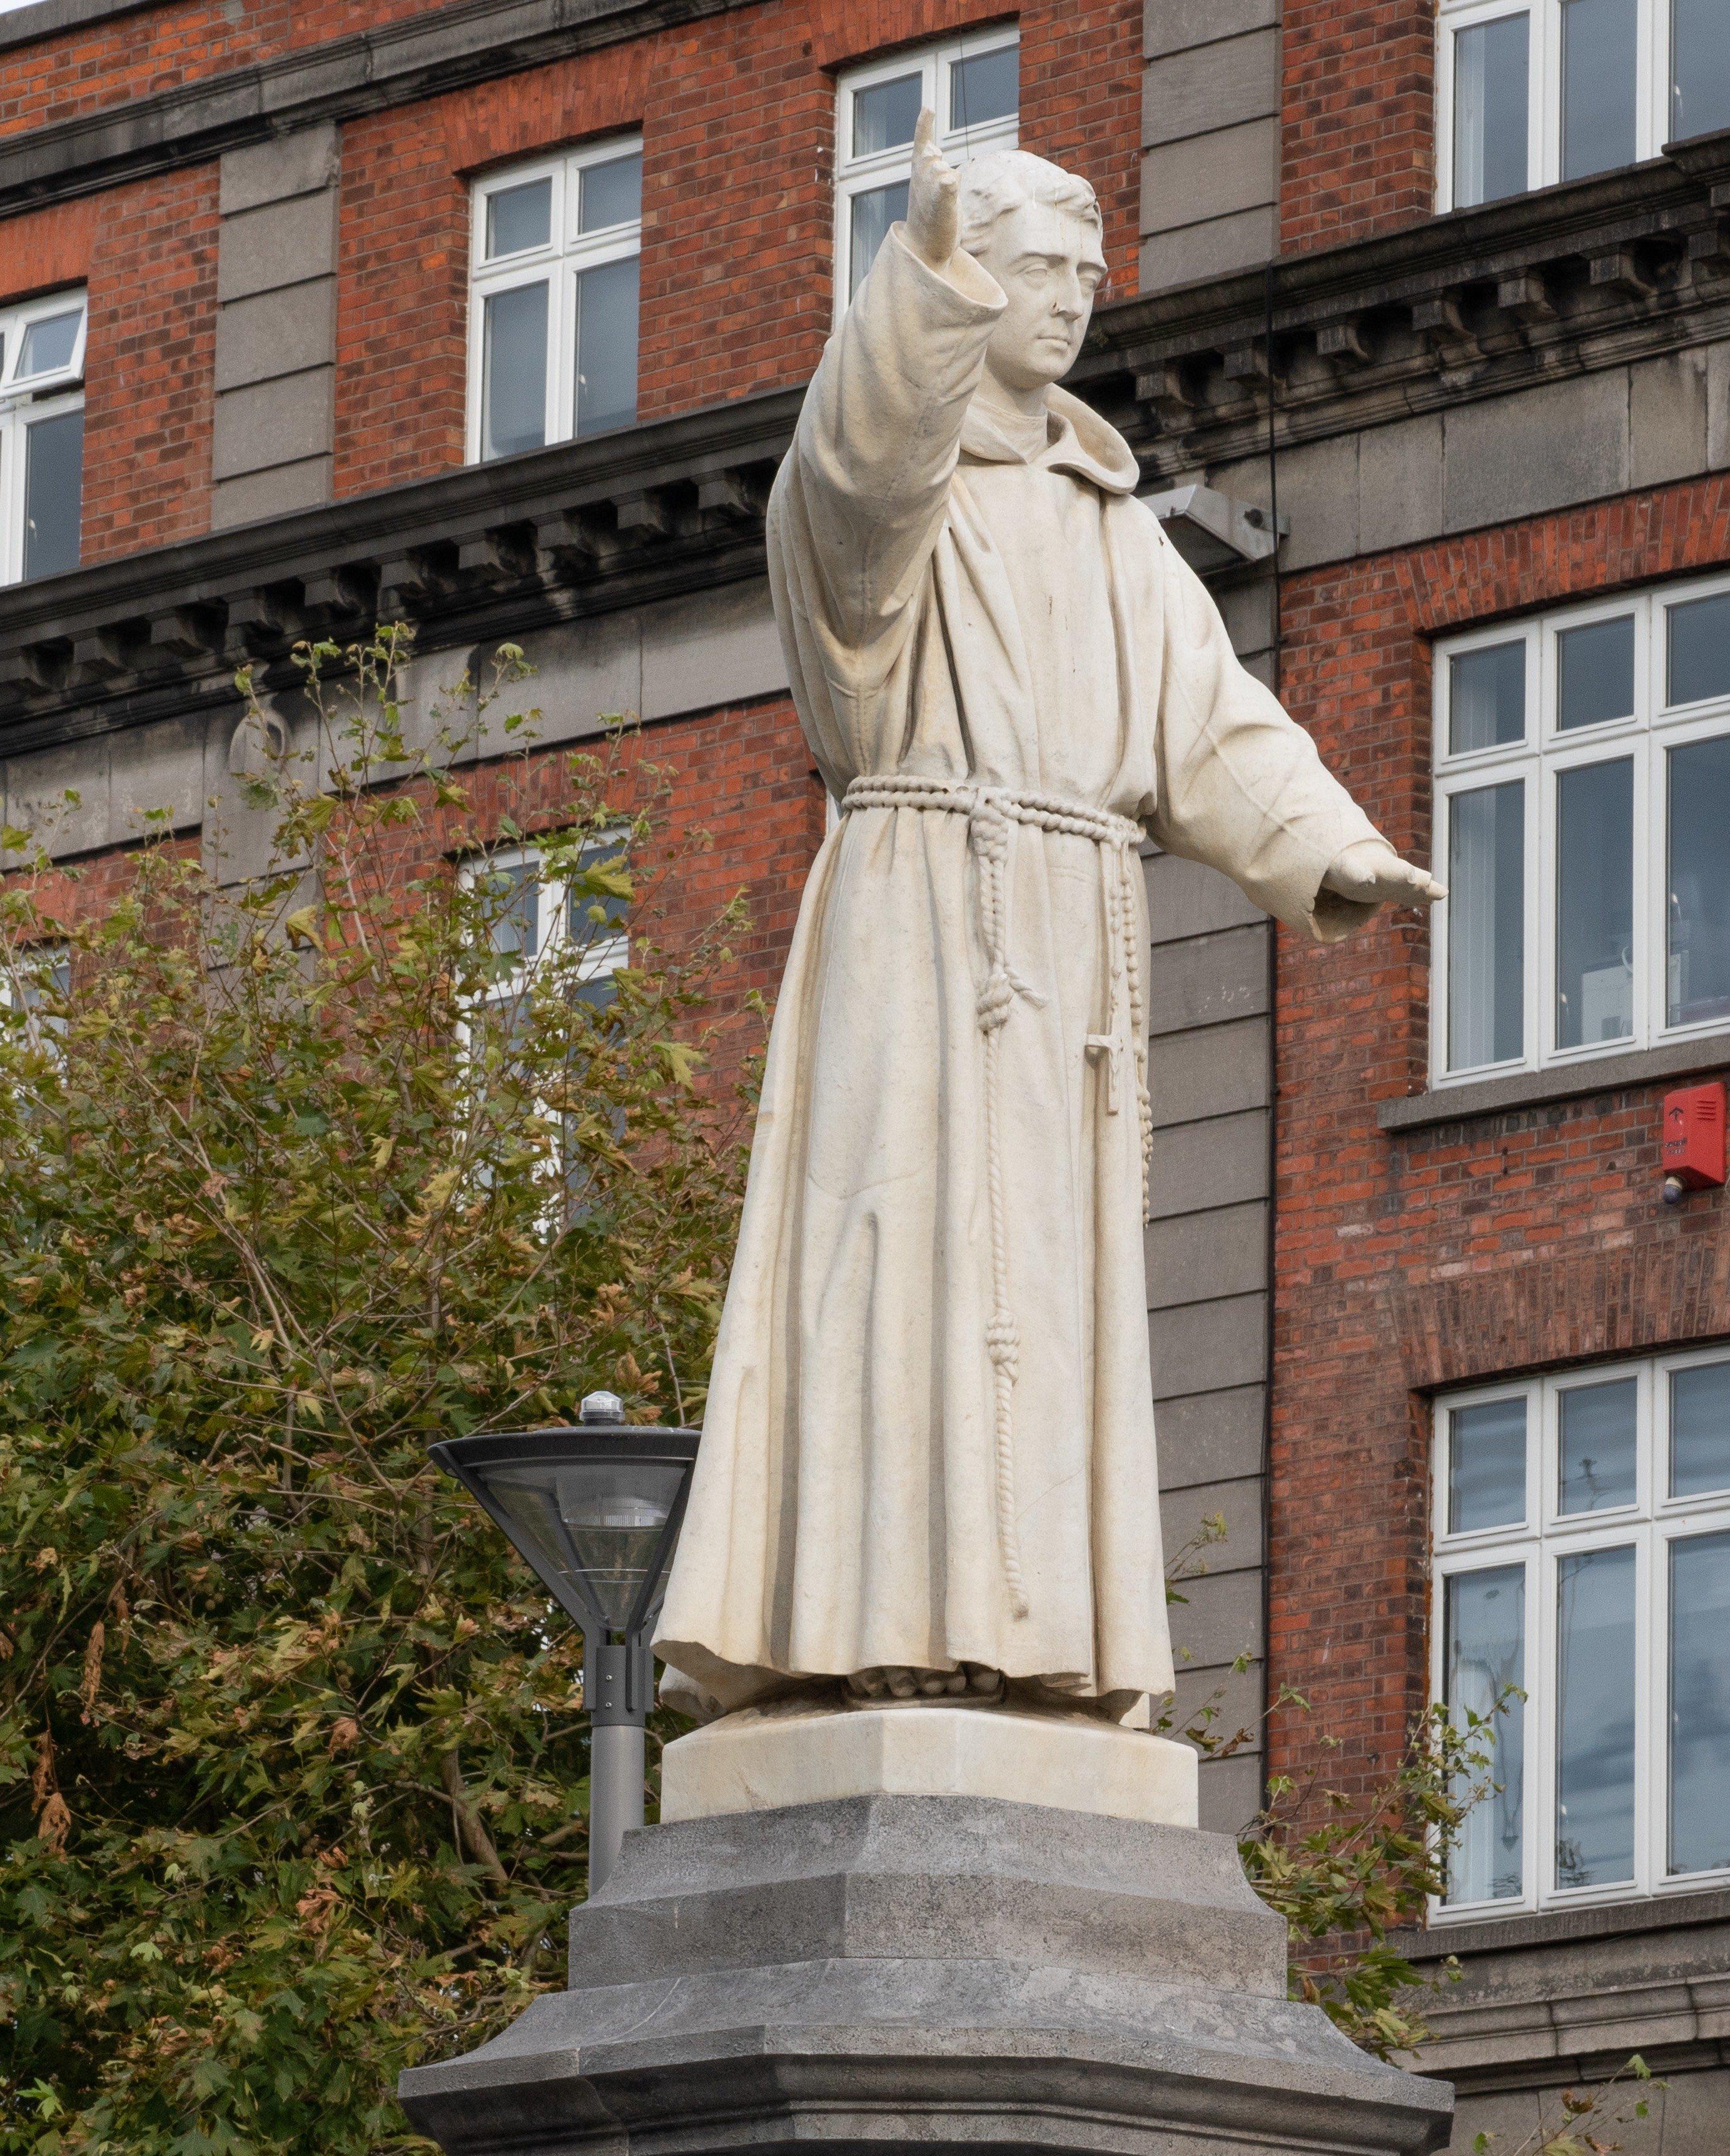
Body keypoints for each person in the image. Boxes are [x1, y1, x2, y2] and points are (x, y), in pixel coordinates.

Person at [652, 112, 1443, 1725]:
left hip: (1071, 930)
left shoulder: (1112, 526)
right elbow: (863, 469)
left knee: (1049, 1295)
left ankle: (1031, 1643)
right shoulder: (881, 506)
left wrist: (1324, 846)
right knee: (900, 1260)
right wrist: (919, 277)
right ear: (963, 285)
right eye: (1037, 270)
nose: (1076, 299)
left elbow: (1213, 719)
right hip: (924, 907)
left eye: (1088, 275)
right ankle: (870, 1626)